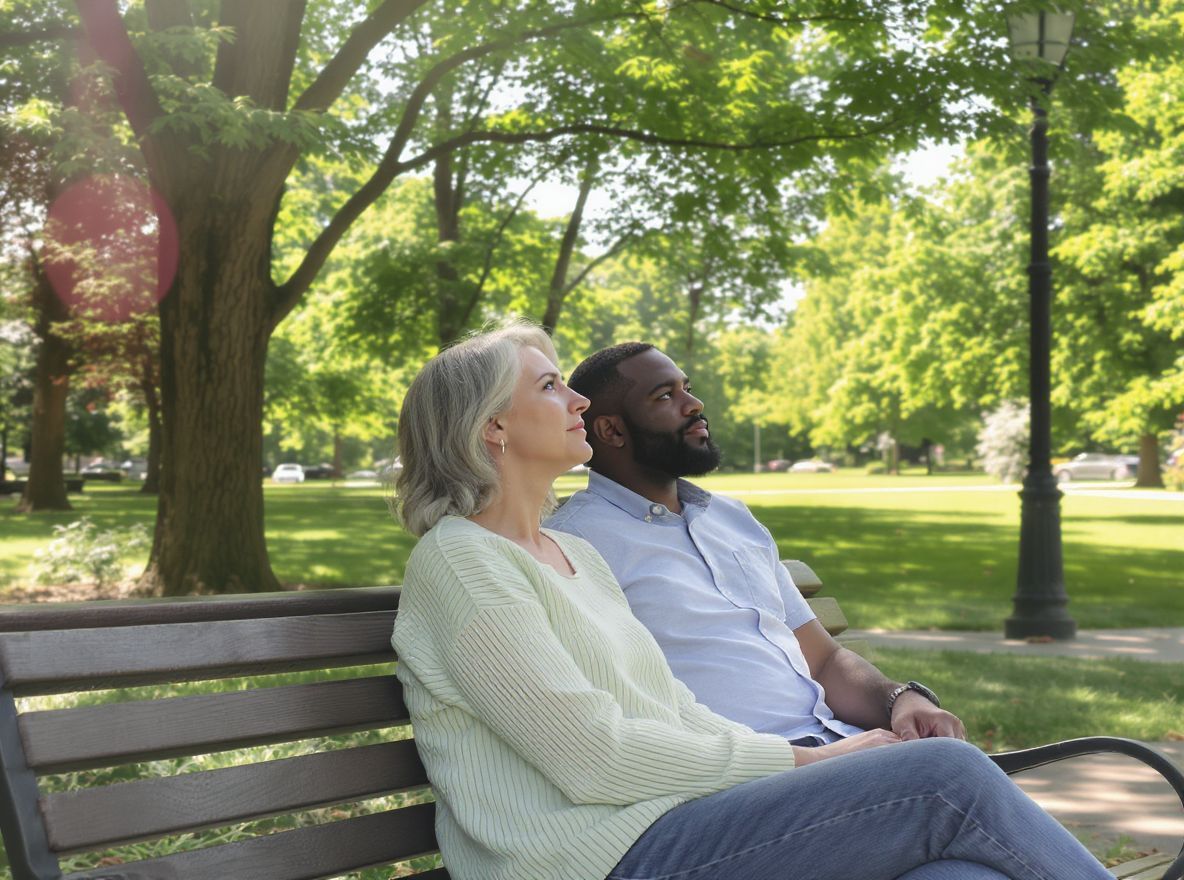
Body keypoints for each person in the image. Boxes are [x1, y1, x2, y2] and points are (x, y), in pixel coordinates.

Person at [391, 320, 1112, 880]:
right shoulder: (462, 562)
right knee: (945, 777)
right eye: (551, 387)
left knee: (953, 872)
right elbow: (596, 760)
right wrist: (814, 762)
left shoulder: (570, 554)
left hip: (678, 827)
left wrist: (844, 748)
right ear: (494, 426)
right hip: (589, 861)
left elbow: (679, 712)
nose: (577, 399)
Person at [545, 342, 963, 751]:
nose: (693, 404)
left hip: (840, 743)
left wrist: (900, 698)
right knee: (953, 777)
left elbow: (824, 660)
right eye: (666, 396)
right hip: (749, 773)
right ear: (612, 430)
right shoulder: (572, 543)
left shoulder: (731, 519)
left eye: (686, 388)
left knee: (953, 764)